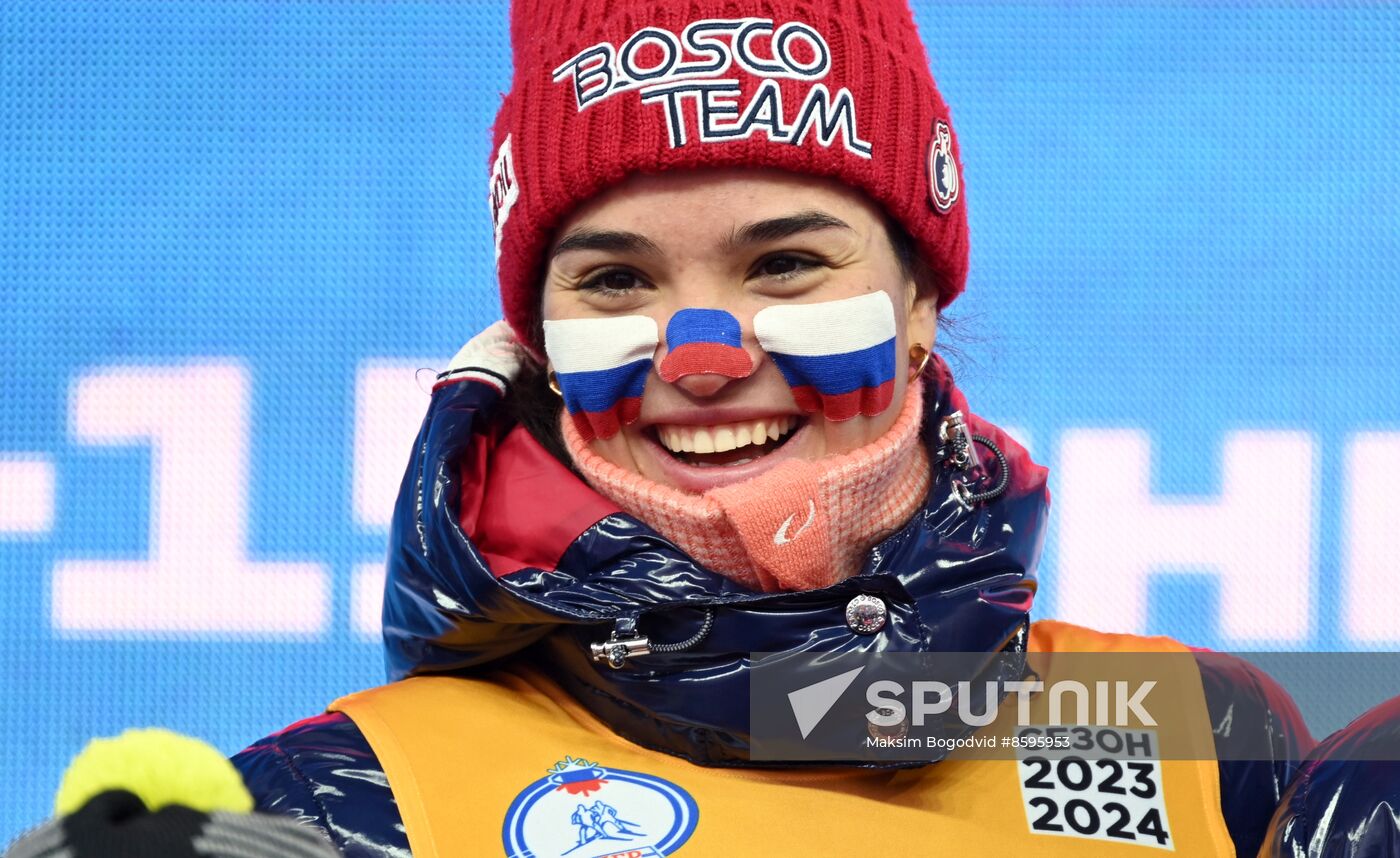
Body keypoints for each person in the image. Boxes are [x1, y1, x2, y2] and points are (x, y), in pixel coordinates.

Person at [232, 0, 1329, 855]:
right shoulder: (334, 809)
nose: (701, 356)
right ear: (540, 347)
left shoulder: (1195, 732)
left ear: (917, 304)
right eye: (615, 280)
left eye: (787, 263)